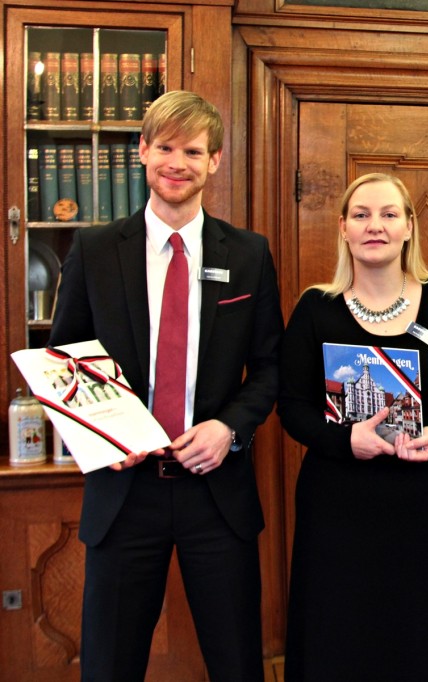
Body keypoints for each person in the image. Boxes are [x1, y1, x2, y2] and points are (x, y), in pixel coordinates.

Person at [49, 90, 283, 680]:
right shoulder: (96, 250)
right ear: (143, 152)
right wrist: (104, 437)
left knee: (237, 663)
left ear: (215, 162)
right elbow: (61, 364)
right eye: (166, 147)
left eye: (194, 150)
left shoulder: (250, 254)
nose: (178, 162)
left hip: (217, 493)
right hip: (124, 494)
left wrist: (229, 428)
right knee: (109, 664)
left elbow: (271, 365)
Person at [277, 172, 428, 680]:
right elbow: (291, 406)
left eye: (389, 214)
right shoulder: (315, 308)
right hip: (339, 506)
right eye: (362, 215)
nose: (375, 226)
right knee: (344, 636)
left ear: (409, 228)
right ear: (343, 228)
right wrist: (342, 439)